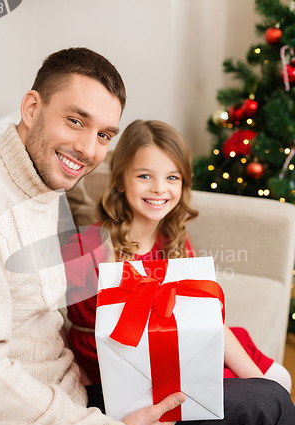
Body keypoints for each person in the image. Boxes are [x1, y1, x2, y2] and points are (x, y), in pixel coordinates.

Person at [0, 47, 294, 425]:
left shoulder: (44, 184)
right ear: (32, 108)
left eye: (104, 134)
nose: (89, 150)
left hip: (69, 408)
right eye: (76, 121)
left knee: (268, 402)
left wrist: (102, 412)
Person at [63, 119, 292, 392]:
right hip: (133, 371)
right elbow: (63, 326)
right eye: (145, 176)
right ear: (121, 181)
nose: (160, 188)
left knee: (278, 378)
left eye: (172, 177)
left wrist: (258, 384)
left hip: (182, 346)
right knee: (255, 393)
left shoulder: (172, 242)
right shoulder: (87, 247)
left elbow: (204, 320)